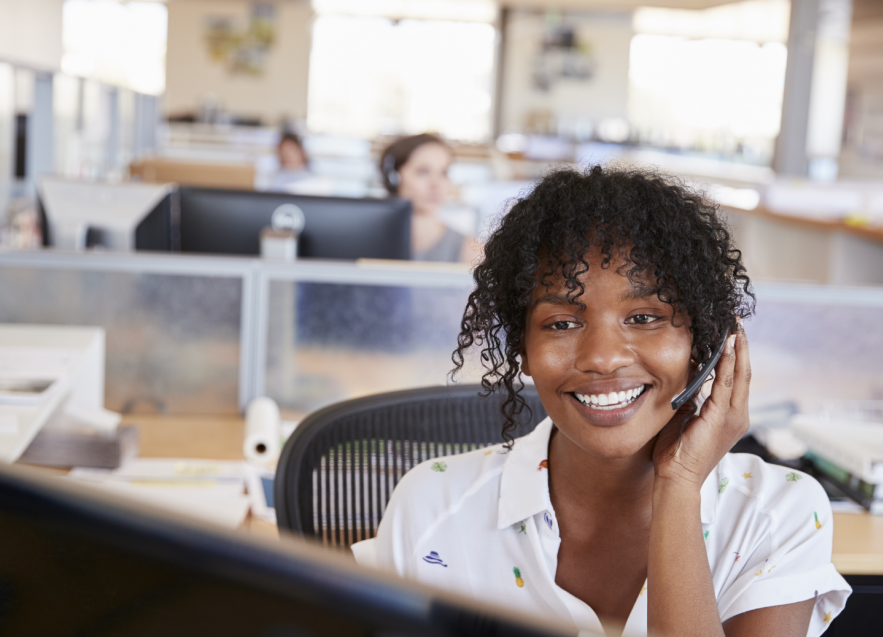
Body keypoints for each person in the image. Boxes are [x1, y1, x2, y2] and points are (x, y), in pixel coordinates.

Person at [353, 166, 850, 637]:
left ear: (706, 342)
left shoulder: (777, 511)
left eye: (645, 317)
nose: (603, 358)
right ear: (523, 349)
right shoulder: (433, 505)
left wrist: (678, 488)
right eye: (562, 324)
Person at [379, 134, 481, 263]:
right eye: (423, 171)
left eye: (443, 173)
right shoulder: (367, 241)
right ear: (394, 179)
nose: (436, 184)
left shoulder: (472, 251)